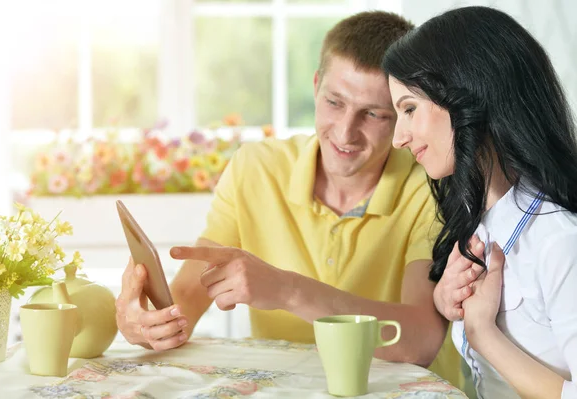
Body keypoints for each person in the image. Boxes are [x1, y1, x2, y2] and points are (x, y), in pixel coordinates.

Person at [116, 11, 462, 388]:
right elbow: (182, 304)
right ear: (316, 87)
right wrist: (145, 323)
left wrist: (286, 290)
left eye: (374, 114)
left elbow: (422, 338)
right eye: (334, 102)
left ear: (402, 112)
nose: (346, 133)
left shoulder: (430, 183)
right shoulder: (255, 168)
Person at [384, 5, 577, 398]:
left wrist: (483, 334)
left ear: (468, 92)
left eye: (409, 109)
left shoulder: (561, 238)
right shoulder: (483, 219)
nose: (397, 138)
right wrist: (446, 299)